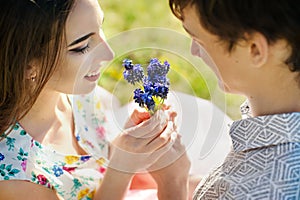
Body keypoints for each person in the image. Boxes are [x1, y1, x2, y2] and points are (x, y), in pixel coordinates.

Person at [0, 0, 190, 199]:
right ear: (29, 65)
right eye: (82, 46)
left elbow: (95, 172)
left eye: (100, 28)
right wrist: (167, 180)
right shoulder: (13, 176)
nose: (109, 54)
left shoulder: (81, 98)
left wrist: (129, 145)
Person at [169, 0, 300, 199]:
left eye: (199, 40)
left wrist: (171, 185)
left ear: (254, 49)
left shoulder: (257, 190)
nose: (193, 51)